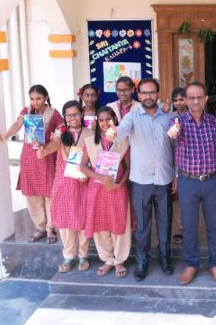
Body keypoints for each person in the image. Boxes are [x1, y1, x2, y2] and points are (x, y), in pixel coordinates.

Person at [110, 78, 176, 281]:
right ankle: (142, 261)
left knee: (165, 222)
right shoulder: (131, 117)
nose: (148, 96)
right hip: (140, 181)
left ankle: (165, 258)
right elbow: (120, 132)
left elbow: (175, 147)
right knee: (142, 226)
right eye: (144, 93)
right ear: (138, 95)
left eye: (152, 92)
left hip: (164, 179)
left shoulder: (168, 117)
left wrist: (176, 174)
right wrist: (113, 132)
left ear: (158, 94)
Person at [168, 82, 216, 286]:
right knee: (189, 226)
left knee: (214, 225)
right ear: (186, 100)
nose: (195, 101)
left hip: (212, 180)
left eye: (199, 97)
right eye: (191, 98)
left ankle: (215, 263)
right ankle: (191, 264)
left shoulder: (214, 123)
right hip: (188, 182)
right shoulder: (177, 122)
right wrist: (173, 132)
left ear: (205, 99)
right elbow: (172, 133)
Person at [0, 85, 63, 244]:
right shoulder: (26, 111)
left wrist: (50, 144)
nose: (35, 102)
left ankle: (51, 228)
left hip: (46, 155)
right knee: (32, 194)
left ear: (46, 97)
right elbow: (18, 124)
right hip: (29, 157)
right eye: (32, 99)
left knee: (49, 193)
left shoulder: (53, 113)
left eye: (39, 98)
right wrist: (6, 136)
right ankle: (40, 227)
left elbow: (61, 133)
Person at [38, 100, 93, 273]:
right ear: (64, 117)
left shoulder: (90, 133)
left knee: (83, 216)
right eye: (68, 115)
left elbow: (95, 156)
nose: (72, 118)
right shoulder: (60, 134)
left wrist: (88, 173)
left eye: (75, 114)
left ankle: (83, 254)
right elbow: (51, 148)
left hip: (84, 179)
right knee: (65, 218)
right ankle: (69, 255)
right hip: (65, 181)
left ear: (81, 114)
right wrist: (42, 148)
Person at [79, 107, 131, 278]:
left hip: (117, 189)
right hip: (97, 189)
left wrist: (120, 184)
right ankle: (107, 259)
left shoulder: (123, 141)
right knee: (100, 225)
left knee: (119, 223)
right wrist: (99, 177)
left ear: (114, 120)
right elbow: (82, 166)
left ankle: (119, 260)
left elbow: (128, 168)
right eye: (101, 120)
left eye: (108, 119)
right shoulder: (90, 142)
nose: (104, 123)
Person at [169, 87, 187, 245]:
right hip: (174, 161)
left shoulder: (194, 115)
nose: (178, 103)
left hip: (190, 163)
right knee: (177, 198)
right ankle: (180, 228)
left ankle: (189, 228)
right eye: (175, 100)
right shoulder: (171, 118)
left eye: (181, 99)